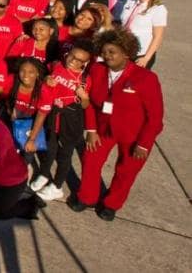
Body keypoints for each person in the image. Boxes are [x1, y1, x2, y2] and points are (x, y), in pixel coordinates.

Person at [69, 29, 164, 221]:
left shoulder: (146, 78)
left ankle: (111, 204)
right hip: (103, 129)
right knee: (91, 159)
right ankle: (87, 197)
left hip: (134, 135)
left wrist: (144, 144)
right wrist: (91, 129)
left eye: (112, 52)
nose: (107, 56)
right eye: (104, 52)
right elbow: (90, 102)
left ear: (126, 53)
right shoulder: (97, 70)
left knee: (126, 171)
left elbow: (155, 117)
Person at [27, 42, 92, 202]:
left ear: (85, 63)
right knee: (49, 150)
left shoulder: (85, 80)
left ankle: (57, 186)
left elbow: (85, 105)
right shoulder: (57, 66)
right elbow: (44, 75)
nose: (73, 61)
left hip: (69, 122)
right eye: (72, 56)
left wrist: (84, 97)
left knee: (64, 156)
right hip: (52, 117)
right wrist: (47, 79)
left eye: (79, 60)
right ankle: (44, 174)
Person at [120, 0, 167, 69]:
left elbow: (158, 36)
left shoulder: (158, 9)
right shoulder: (130, 1)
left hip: (140, 54)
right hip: (123, 50)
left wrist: (146, 58)